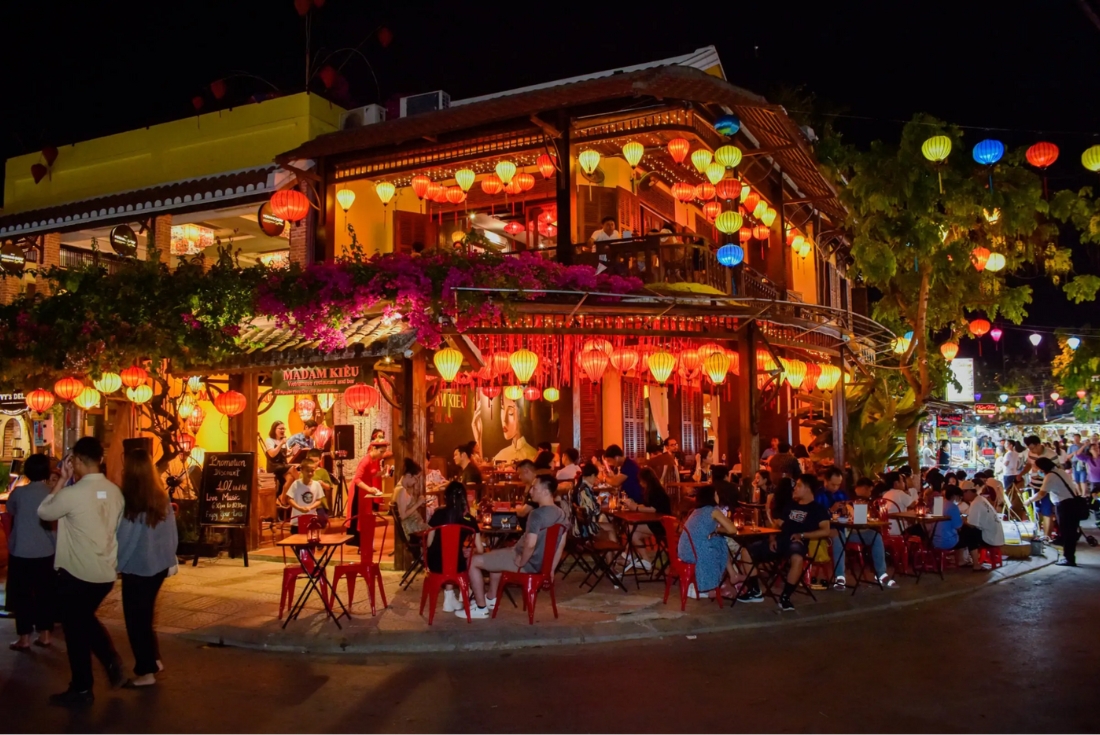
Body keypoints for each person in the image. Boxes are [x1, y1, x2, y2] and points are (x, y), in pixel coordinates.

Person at [36, 437, 126, 706]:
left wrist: (62, 481)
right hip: (104, 572)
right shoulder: (113, 491)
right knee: (83, 620)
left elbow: (44, 512)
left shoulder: (72, 493)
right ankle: (109, 661)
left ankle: (83, 687)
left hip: (77, 572)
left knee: (76, 631)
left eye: (72, 460)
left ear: (76, 460)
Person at [460, 475, 565, 619]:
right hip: (540, 565)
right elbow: (560, 545)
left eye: (534, 488)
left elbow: (530, 543)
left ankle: (481, 607)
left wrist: (522, 562)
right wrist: (551, 569)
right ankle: (490, 599)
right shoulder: (562, 514)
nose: (530, 491)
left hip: (525, 562)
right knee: (496, 556)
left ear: (546, 491)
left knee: (472, 561)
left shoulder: (536, 514)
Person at [116, 448, 178, 687]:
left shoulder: (131, 501)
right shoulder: (160, 496)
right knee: (146, 616)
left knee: (136, 620)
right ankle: (154, 659)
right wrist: (170, 560)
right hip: (158, 567)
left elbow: (126, 539)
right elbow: (171, 535)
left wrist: (116, 563)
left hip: (138, 567)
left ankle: (146, 671)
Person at [738, 474, 832, 611]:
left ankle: (785, 597)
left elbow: (825, 531)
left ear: (807, 488)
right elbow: (777, 524)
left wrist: (803, 535)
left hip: (797, 542)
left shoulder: (818, 509)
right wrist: (772, 538)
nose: (795, 488)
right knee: (745, 551)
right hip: (779, 540)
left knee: (797, 557)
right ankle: (755, 590)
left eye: (799, 485)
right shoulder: (790, 505)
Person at [6, 453, 56, 651]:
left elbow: (10, 510)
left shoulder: (19, 493)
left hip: (21, 551)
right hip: (45, 550)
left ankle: (24, 638)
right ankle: (45, 634)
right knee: (45, 594)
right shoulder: (51, 493)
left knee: (23, 595)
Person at [426, 480, 482, 613]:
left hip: (434, 563)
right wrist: (469, 549)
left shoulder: (438, 514)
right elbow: (480, 549)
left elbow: (428, 543)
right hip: (457, 565)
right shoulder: (469, 519)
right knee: (458, 557)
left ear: (446, 497)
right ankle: (459, 595)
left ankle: (449, 598)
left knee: (448, 555)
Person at [831, 476, 896, 589]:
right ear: (864, 488)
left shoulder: (866, 501)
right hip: (843, 530)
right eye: (870, 490)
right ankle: (840, 577)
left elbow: (863, 519)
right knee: (838, 536)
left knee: (876, 536)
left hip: (857, 531)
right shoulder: (847, 497)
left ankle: (881, 574)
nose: (870, 493)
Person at [678, 485, 740, 599]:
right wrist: (720, 529)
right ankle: (712, 585)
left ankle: (732, 575)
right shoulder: (713, 511)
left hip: (684, 550)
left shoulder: (696, 511)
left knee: (718, 541)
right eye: (716, 494)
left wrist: (717, 529)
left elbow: (706, 529)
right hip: (695, 552)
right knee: (720, 543)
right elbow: (732, 529)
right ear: (712, 496)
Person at [1026, 457, 1084, 566]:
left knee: (1068, 532)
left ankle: (1069, 558)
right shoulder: (1059, 471)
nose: (1036, 470)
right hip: (1072, 503)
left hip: (1065, 505)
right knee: (1069, 531)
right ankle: (1069, 556)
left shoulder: (1050, 476)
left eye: (1037, 467)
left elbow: (1041, 494)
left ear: (1042, 467)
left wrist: (1029, 500)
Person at [623, 467, 672, 571]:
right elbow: (647, 506)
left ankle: (630, 556)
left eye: (640, 481)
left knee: (631, 528)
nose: (640, 483)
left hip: (661, 524)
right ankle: (643, 559)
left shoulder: (656, 491)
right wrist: (634, 505)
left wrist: (635, 507)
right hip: (656, 522)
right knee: (631, 531)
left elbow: (653, 509)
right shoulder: (652, 490)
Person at [961, 485, 1005, 571]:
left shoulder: (976, 503)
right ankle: (964, 559)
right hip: (995, 534)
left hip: (990, 537)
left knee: (968, 532)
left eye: (964, 493)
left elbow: (972, 524)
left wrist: (963, 521)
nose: (963, 496)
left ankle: (975, 564)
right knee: (968, 531)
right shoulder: (980, 499)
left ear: (969, 491)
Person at [1023, 435, 1058, 541]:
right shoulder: (1031, 453)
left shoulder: (1051, 455)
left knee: (1047, 512)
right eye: (1030, 449)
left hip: (1047, 487)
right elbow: (1029, 464)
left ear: (1039, 445)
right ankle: (1038, 533)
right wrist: (1021, 474)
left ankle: (1047, 536)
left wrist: (1043, 474)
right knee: (1036, 511)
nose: (1033, 451)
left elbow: (1057, 470)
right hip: (1034, 484)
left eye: (1034, 448)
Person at [282, 461, 325, 533]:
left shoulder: (317, 484)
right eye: (307, 471)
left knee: (312, 541)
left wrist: (310, 507)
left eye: (312, 471)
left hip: (312, 519)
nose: (310, 473)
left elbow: (319, 500)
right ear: (301, 470)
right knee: (297, 542)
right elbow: (289, 499)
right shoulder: (296, 484)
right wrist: (299, 508)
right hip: (297, 521)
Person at [492, 394, 537, 462]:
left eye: (511, 413)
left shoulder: (532, 455)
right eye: (503, 409)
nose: (504, 420)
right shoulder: (500, 456)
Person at [395, 458, 431, 538]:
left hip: (413, 525)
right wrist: (418, 504)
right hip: (411, 528)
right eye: (416, 478)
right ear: (408, 475)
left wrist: (419, 502)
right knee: (435, 531)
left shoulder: (401, 488)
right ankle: (427, 550)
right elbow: (403, 515)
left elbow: (407, 507)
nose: (416, 481)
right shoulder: (401, 491)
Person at [932, 487, 965, 552]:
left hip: (934, 540)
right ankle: (961, 560)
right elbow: (958, 526)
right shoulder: (953, 507)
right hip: (947, 541)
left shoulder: (938, 503)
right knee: (967, 536)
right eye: (960, 497)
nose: (960, 500)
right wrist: (963, 520)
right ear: (955, 496)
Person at [264, 421, 290, 496]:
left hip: (283, 466)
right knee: (293, 469)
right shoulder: (269, 440)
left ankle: (282, 498)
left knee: (290, 478)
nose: (283, 431)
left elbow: (284, 455)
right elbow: (272, 454)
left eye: (284, 429)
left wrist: (291, 452)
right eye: (280, 429)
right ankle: (302, 484)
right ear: (274, 429)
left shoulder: (284, 441)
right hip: (274, 466)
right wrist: (281, 443)